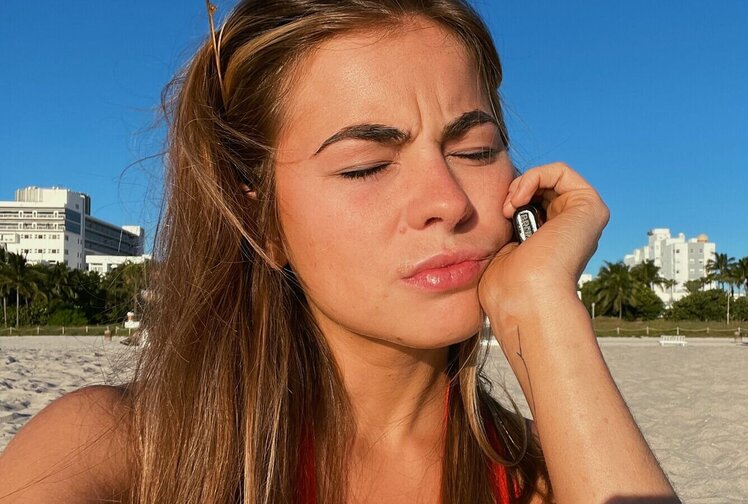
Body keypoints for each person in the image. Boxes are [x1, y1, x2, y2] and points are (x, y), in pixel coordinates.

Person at [0, 1, 679, 502]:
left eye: (475, 150)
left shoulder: (552, 475)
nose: (448, 200)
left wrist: (542, 310)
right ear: (259, 219)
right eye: (366, 166)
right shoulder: (114, 451)